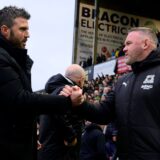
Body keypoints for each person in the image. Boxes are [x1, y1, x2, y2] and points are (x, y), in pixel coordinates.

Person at [61, 27, 160, 160]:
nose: (124, 49)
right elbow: (103, 113)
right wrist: (80, 103)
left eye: (128, 43)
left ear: (145, 44)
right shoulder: (122, 81)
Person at [0, 6, 78, 160]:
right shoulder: (2, 58)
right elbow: (21, 100)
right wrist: (66, 101)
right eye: (22, 29)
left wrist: (29, 137)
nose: (28, 34)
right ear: (5, 30)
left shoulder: (14, 59)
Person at [37, 64, 86, 160]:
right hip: (61, 153)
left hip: (47, 150)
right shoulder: (68, 90)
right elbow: (58, 113)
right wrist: (71, 138)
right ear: (81, 80)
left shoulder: (52, 93)